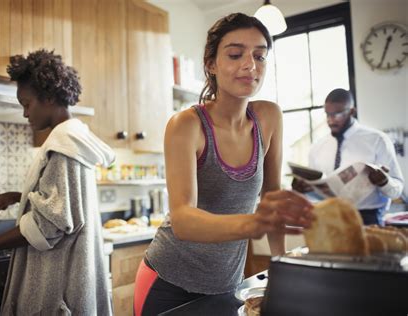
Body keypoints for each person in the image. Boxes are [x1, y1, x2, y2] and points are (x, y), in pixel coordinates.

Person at [133, 13, 315, 316]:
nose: (250, 65)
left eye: (260, 56)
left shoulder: (269, 117)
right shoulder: (186, 125)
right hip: (167, 282)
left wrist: (282, 267)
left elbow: (272, 196)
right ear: (211, 64)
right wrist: (254, 223)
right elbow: (184, 219)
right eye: (235, 54)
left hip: (226, 283)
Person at [0, 50, 115, 315]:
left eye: (27, 103)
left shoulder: (63, 145)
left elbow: (50, 224)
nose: (24, 113)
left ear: (49, 97)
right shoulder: (74, 138)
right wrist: (21, 196)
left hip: (58, 288)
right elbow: (66, 201)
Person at [293, 88, 404, 226]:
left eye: (337, 114)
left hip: (368, 219)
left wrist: (384, 182)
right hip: (329, 218)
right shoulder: (317, 148)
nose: (330, 120)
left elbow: (397, 190)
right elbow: (318, 193)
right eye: (327, 114)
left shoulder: (377, 140)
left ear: (352, 111)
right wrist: (304, 189)